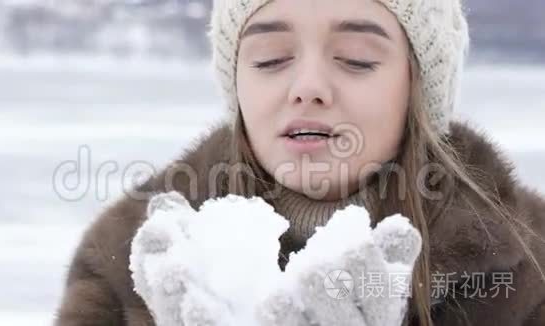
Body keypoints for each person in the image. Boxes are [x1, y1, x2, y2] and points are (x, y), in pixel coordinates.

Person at [54, 0, 545, 325]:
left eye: (356, 58)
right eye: (270, 58)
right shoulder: (127, 264)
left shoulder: (528, 272)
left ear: (418, 87)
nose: (308, 86)